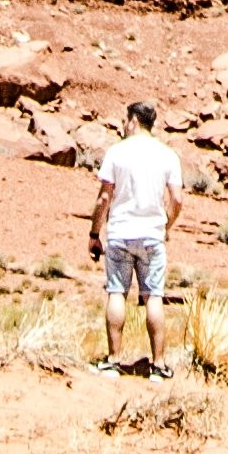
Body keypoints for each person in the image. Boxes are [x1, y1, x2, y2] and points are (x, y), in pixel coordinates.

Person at [88, 99, 185, 375]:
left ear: (133, 121)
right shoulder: (167, 155)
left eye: (124, 120)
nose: (122, 125)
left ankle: (114, 360)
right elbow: (177, 198)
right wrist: (166, 225)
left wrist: (95, 233)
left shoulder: (117, 152)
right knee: (153, 297)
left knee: (117, 292)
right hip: (152, 235)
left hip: (120, 233)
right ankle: (158, 365)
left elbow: (104, 197)